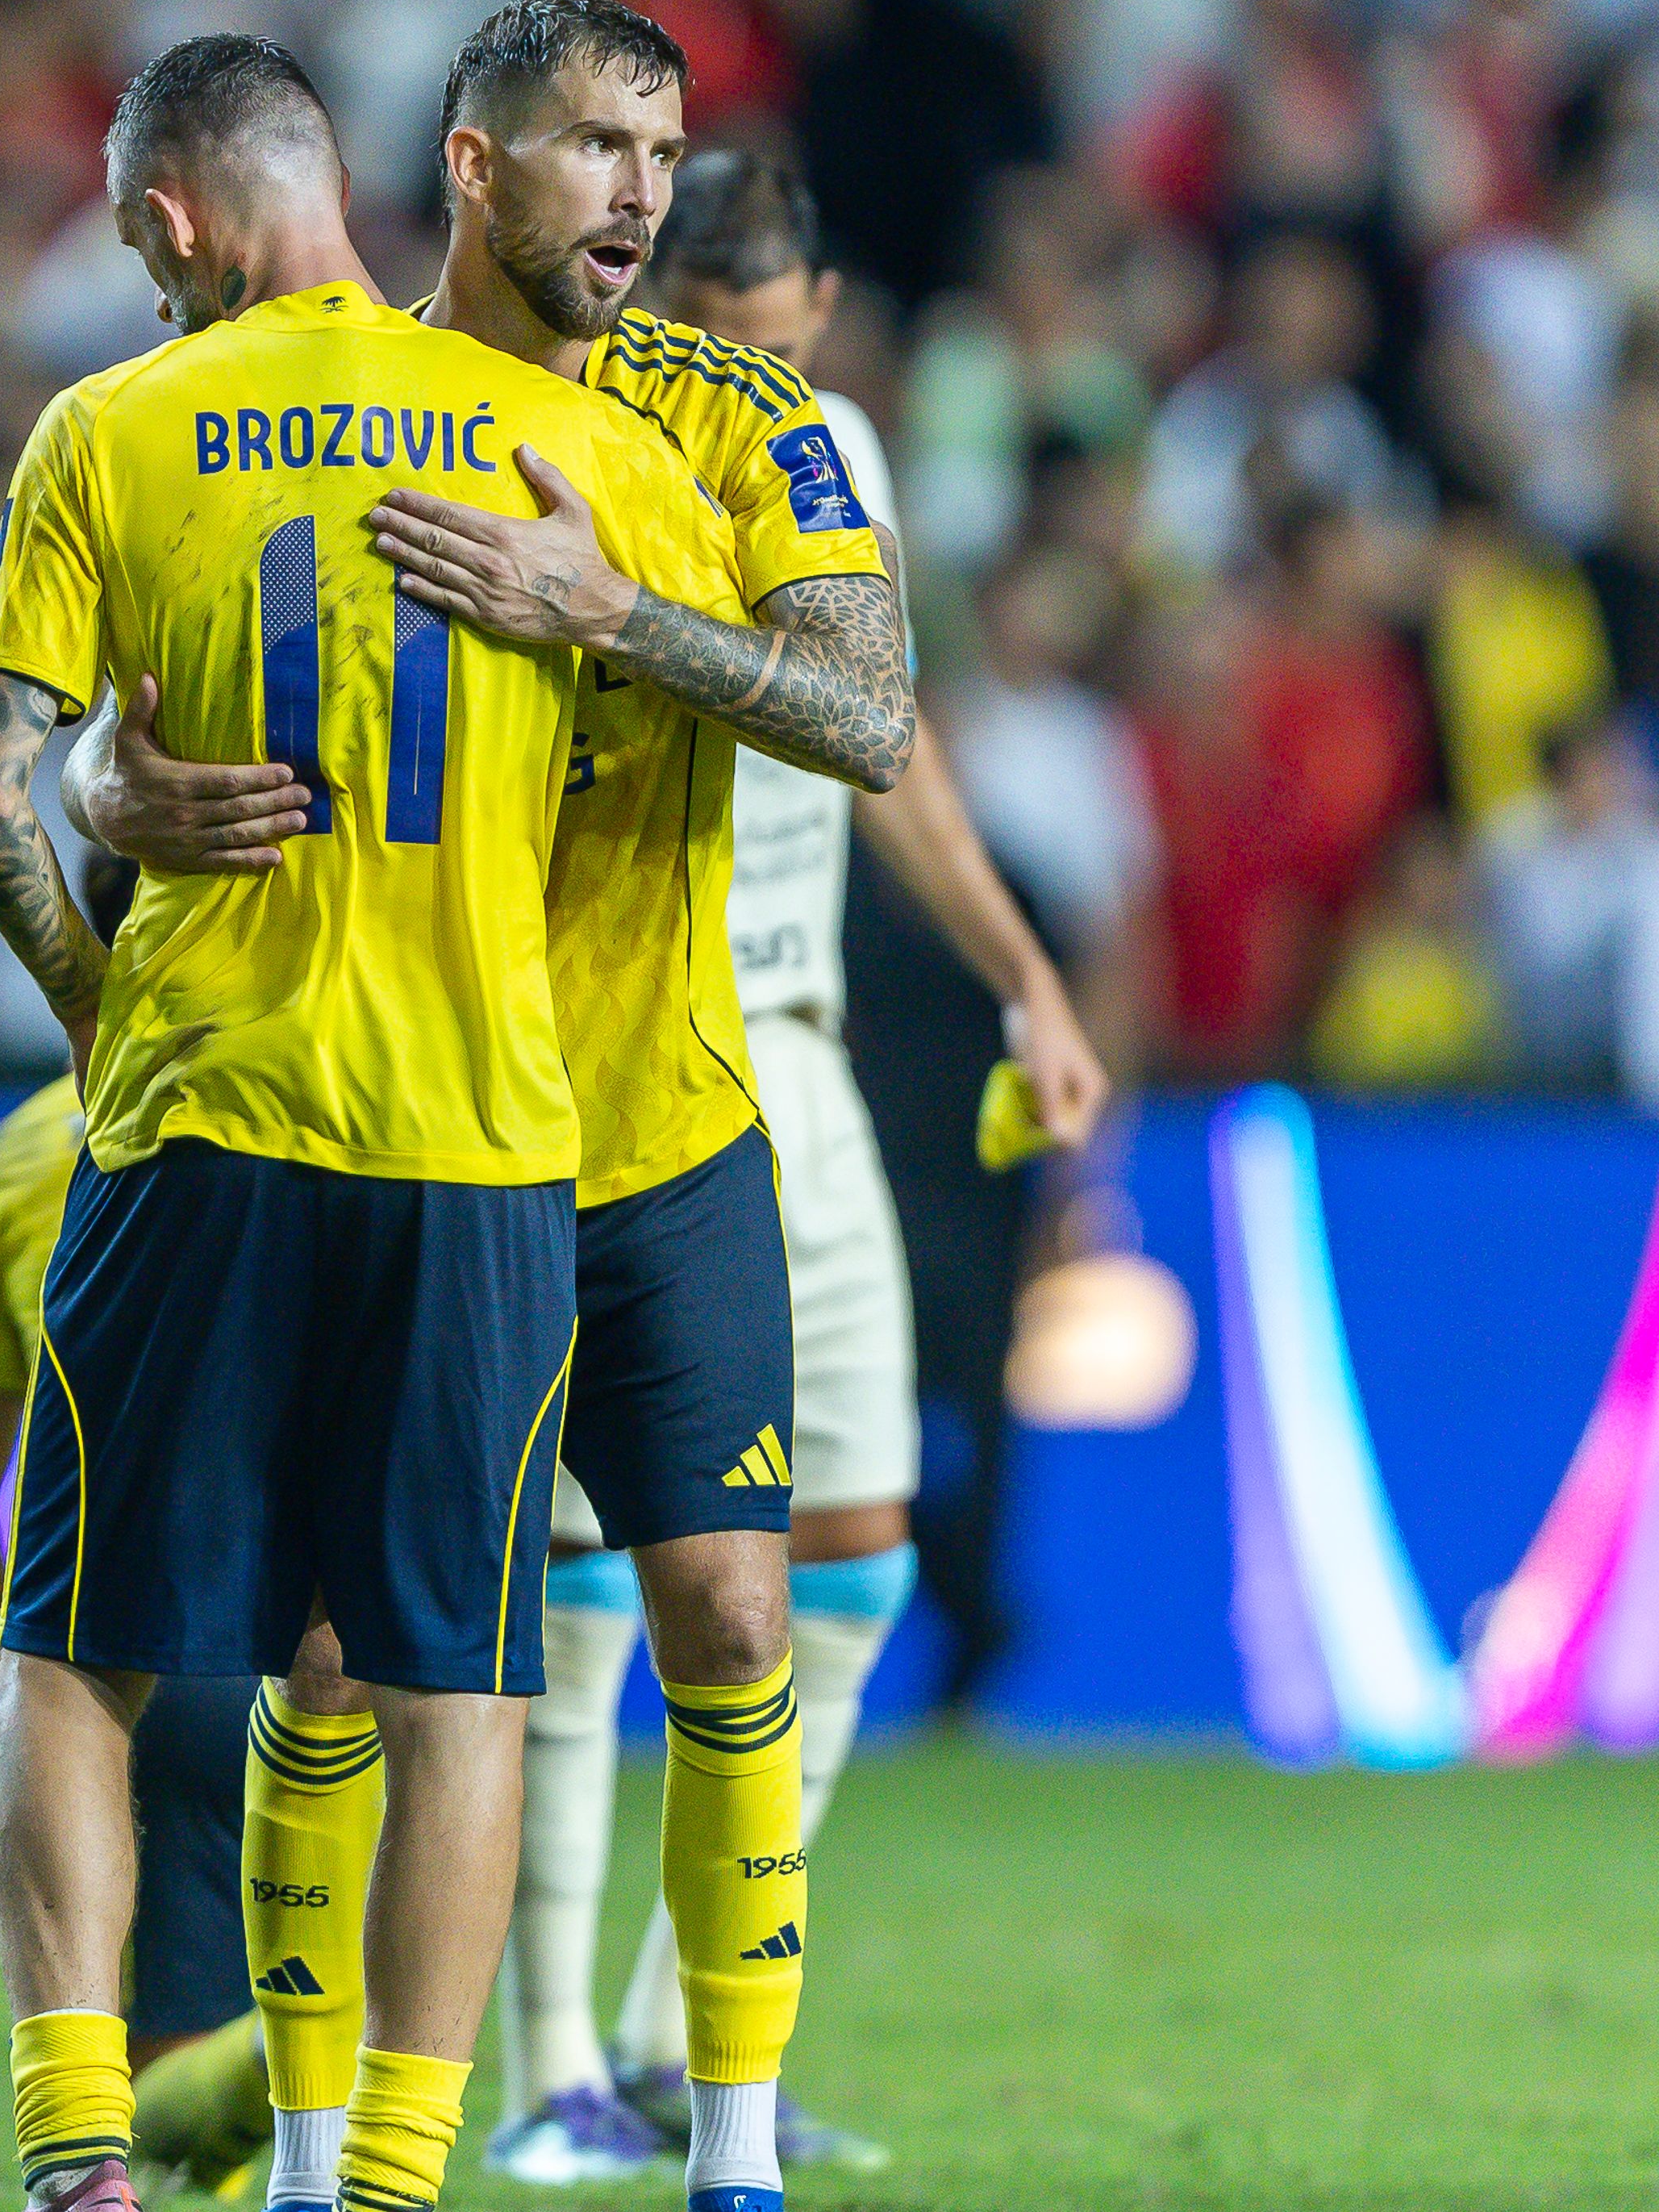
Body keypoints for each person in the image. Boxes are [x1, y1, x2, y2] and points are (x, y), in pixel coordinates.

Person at [64, 0, 925, 2212]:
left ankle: (725, 2145)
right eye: (591, 146)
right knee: (347, 1655)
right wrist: (91, 777)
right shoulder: (308, 415)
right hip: (411, 1137)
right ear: (467, 160)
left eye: (666, 149)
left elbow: (873, 714)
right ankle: (328, 2155)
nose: (641, 192)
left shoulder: (750, 420)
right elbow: (123, 692)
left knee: (731, 1616)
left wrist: (617, 611)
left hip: (652, 1128)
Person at [0, 33, 756, 2212]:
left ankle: (81, 2152)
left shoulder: (113, 428)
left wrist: (106, 994)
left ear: (178, 218)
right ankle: (386, 2177)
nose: (141, 280)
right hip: (485, 1144)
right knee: (454, 1681)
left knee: (81, 1652)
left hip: (203, 1121)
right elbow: (717, 745)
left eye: (133, 246)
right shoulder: (563, 442)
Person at [477, 146, 1111, 2182]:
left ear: (818, 312)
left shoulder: (826, 453)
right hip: (612, 1051)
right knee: (582, 1588)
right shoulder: (563, 416)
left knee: (845, 1559)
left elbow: (886, 737)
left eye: (761, 343)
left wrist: (1022, 969)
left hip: (804, 1059)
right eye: (698, 339)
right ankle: (547, 2067)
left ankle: (682, 2042)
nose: (733, 380)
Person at [0, 1073, 277, 2196]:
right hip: (358, 1637)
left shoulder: (15, 1156)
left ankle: (260, 2068)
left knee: (151, 2089)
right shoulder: (328, 1081)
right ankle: (332, 2035)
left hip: (140, 1657)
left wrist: (14, 1756)